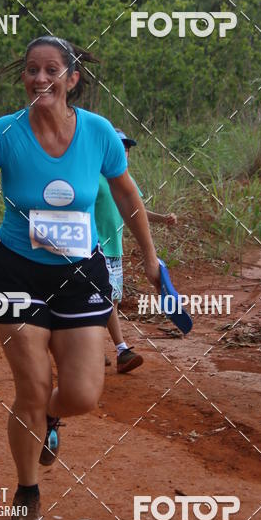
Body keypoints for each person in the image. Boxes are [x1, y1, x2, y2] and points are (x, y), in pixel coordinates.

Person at [0, 35, 161, 520]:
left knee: (81, 395)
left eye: (52, 69)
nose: (40, 78)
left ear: (71, 79)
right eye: (32, 70)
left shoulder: (99, 133)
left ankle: (50, 422)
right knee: (32, 388)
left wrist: (149, 255)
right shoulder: (5, 131)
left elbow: (126, 193)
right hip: (16, 272)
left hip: (80, 274)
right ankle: (27, 490)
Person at [95, 130, 178, 373]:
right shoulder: (92, 176)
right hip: (95, 248)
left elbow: (135, 209)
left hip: (114, 250)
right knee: (107, 298)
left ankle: (94, 349)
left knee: (112, 300)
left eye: (127, 148)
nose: (124, 152)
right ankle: (121, 350)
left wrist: (162, 219)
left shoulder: (125, 180)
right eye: (119, 147)